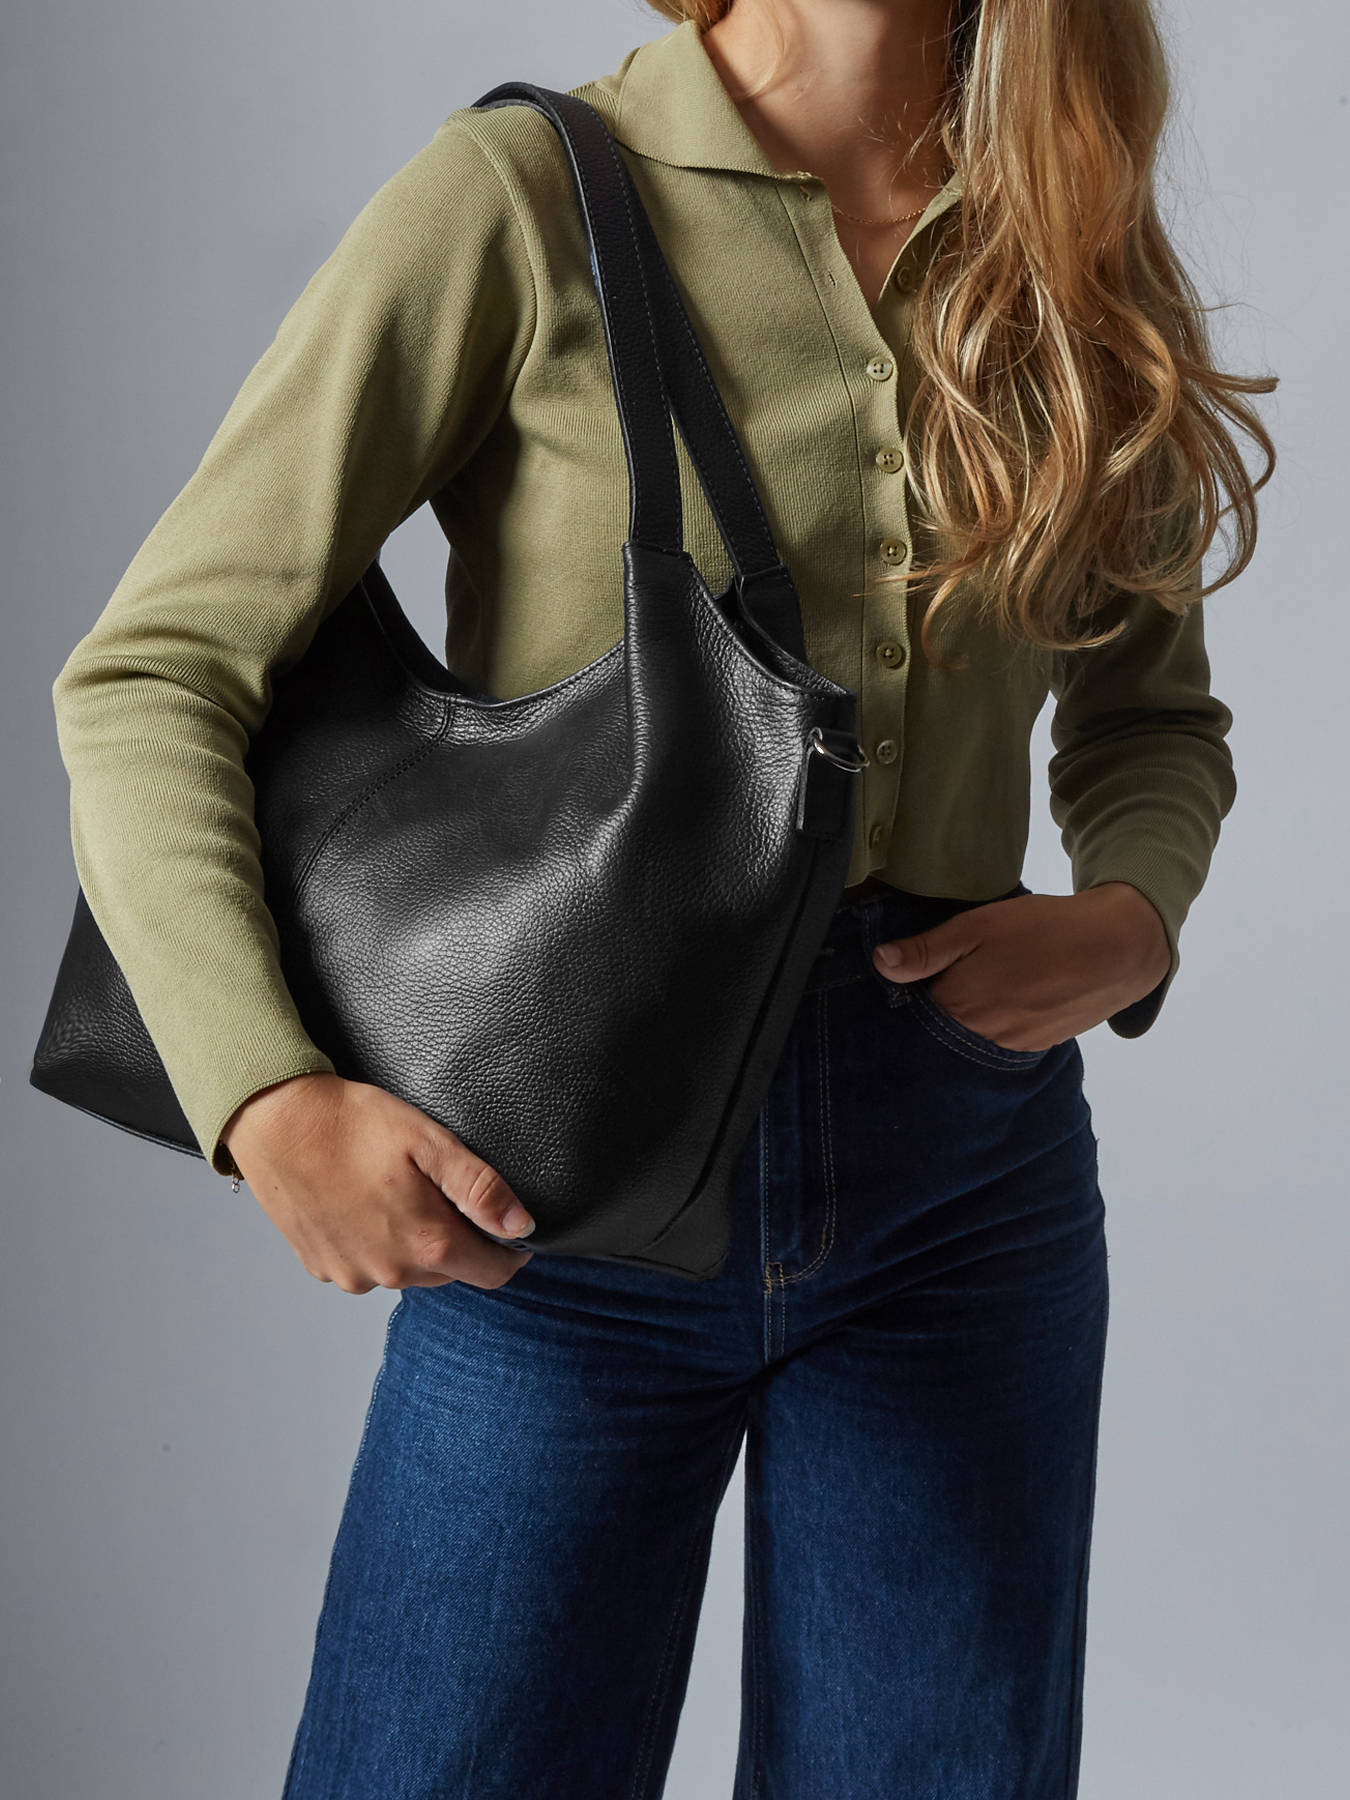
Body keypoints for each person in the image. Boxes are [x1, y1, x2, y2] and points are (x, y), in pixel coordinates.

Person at [49, 2, 1273, 1794]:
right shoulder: (522, 193)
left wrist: (1131, 915)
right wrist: (263, 1093)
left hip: (963, 1176)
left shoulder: (1067, 231)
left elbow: (1149, 719)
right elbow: (151, 673)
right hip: (557, 1189)